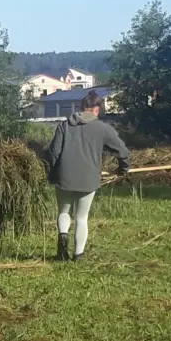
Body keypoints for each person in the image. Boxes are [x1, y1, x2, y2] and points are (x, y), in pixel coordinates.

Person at [46, 90, 129, 261]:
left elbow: (54, 152)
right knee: (81, 217)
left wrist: (52, 173)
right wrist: (123, 169)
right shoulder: (103, 128)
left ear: (82, 107)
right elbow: (122, 151)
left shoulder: (64, 125)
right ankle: (79, 254)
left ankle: (62, 242)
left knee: (63, 212)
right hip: (89, 178)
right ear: (97, 109)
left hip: (64, 176)